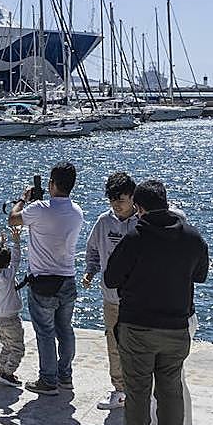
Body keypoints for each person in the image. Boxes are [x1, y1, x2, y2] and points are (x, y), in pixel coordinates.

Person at [103, 180, 208, 425]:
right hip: (177, 328)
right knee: (170, 389)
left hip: (138, 327)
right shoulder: (192, 237)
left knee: (138, 391)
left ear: (139, 207)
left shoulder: (135, 238)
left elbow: (111, 278)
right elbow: (200, 275)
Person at [8, 161, 84, 396]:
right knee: (65, 330)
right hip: (67, 280)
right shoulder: (77, 212)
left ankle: (48, 380)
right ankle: (65, 376)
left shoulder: (38, 208)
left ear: (52, 183)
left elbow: (13, 219)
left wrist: (23, 199)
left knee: (45, 332)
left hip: (43, 282)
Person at [83, 172, 137, 410]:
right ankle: (119, 389)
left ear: (133, 198)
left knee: (138, 346)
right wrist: (90, 271)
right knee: (114, 344)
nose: (117, 205)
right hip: (111, 297)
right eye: (112, 200)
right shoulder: (104, 221)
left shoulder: (143, 222)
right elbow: (92, 249)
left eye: (121, 199)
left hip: (138, 299)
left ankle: (141, 390)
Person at [0, 228, 25, 387]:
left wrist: (1, 244)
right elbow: (16, 260)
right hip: (11, 320)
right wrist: (16, 242)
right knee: (17, 349)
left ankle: (1, 370)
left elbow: (4, 261)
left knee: (6, 346)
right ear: (7, 263)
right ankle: (8, 373)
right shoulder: (7, 276)